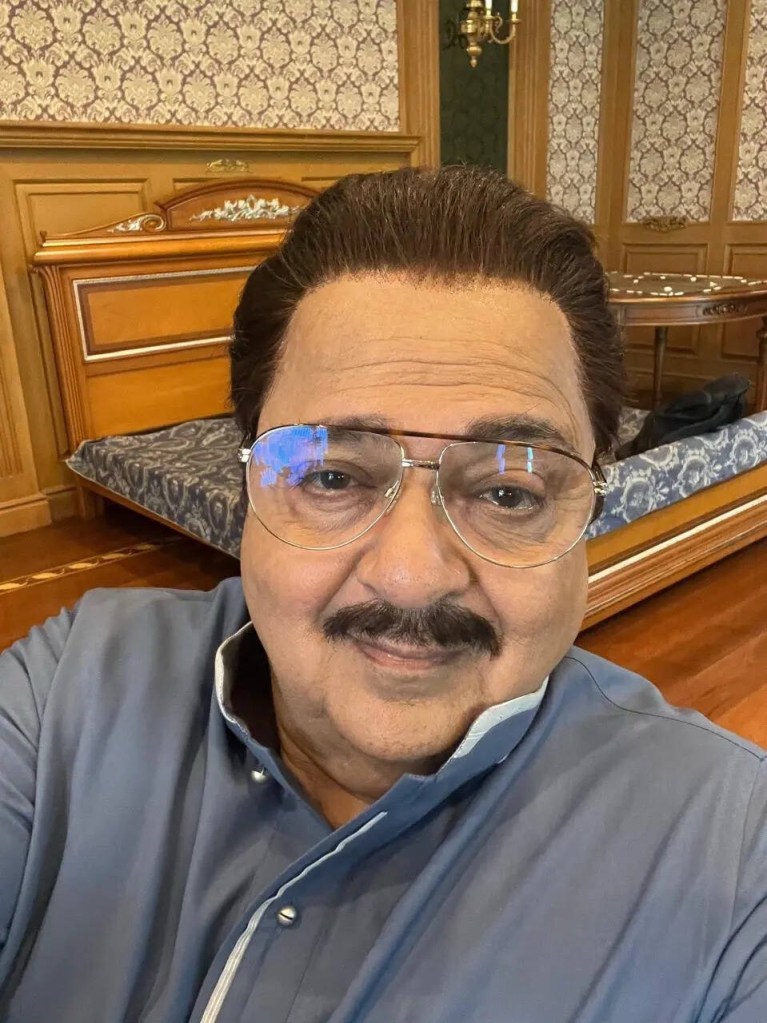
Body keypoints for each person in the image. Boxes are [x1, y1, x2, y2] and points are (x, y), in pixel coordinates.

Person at [1, 166, 765, 1023]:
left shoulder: (733, 852)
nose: (411, 574)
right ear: (246, 483)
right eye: (332, 475)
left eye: (507, 490)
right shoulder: (66, 695)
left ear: (587, 507)